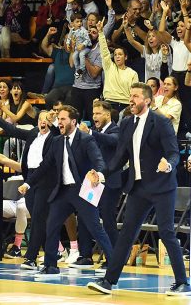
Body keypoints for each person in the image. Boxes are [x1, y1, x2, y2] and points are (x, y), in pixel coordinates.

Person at [87, 83, 191, 296]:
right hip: (139, 187)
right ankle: (109, 281)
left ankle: (183, 282)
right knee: (127, 233)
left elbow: (174, 152)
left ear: (147, 100)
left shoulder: (161, 122)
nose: (131, 100)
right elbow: (120, 157)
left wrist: (168, 164)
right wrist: (102, 174)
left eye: (135, 96)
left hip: (162, 186)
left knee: (166, 232)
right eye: (130, 96)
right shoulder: (126, 123)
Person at [17, 105, 113, 277]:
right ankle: (50, 266)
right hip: (63, 191)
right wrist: (28, 183)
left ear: (73, 121)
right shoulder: (56, 141)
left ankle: (114, 263)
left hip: (81, 190)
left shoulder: (85, 140)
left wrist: (98, 174)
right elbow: (44, 166)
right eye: (58, 119)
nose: (59, 123)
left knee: (95, 227)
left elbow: (99, 162)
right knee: (51, 225)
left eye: (63, 119)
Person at [0, 108, 58, 269]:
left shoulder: (54, 137)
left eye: (46, 119)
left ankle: (31, 257)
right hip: (30, 179)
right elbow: (13, 130)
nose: (43, 121)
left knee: (39, 219)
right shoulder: (33, 133)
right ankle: (53, 253)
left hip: (46, 180)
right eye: (40, 118)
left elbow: (57, 135)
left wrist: (53, 120)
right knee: (38, 219)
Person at [72, 101, 121, 269]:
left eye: (98, 113)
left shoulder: (116, 130)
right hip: (92, 181)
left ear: (108, 114)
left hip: (110, 182)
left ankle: (113, 259)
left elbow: (112, 141)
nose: (94, 117)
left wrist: (90, 132)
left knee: (108, 220)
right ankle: (85, 256)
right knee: (85, 217)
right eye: (93, 114)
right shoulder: (94, 132)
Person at [97, 19, 139, 112]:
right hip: (109, 104)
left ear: (126, 57)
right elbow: (104, 52)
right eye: (115, 54)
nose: (117, 57)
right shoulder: (109, 67)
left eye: (120, 54)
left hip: (126, 106)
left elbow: (135, 93)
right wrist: (100, 32)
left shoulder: (132, 73)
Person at [66, 13, 91, 78]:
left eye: (80, 21)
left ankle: (82, 69)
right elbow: (69, 38)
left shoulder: (83, 31)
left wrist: (83, 44)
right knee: (74, 56)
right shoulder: (71, 30)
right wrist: (68, 44)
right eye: (77, 22)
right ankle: (77, 70)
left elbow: (88, 40)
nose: (80, 23)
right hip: (77, 48)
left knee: (81, 54)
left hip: (86, 47)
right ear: (72, 23)